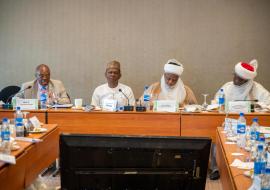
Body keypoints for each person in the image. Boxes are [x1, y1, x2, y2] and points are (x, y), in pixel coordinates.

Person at [210, 59, 270, 180]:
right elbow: (215, 102)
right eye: (235, 76)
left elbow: (268, 105)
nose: (235, 80)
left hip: (248, 125)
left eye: (240, 79)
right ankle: (216, 168)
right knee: (214, 137)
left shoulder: (257, 89)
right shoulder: (227, 87)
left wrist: (257, 106)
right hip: (227, 123)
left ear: (247, 80)